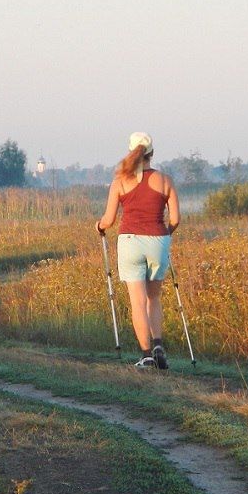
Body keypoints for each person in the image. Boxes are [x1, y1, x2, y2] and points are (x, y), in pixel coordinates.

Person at [95, 132, 180, 369]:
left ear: (130, 151)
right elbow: (175, 219)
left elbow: (109, 220)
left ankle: (146, 355)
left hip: (130, 241)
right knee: (154, 298)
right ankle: (158, 344)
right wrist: (165, 235)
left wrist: (99, 226)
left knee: (137, 302)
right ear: (152, 153)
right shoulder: (165, 180)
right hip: (158, 240)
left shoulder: (120, 181)